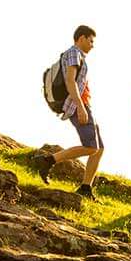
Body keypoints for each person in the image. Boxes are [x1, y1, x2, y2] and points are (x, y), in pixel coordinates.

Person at [34, 25, 103, 200]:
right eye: (91, 40)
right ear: (81, 38)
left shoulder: (79, 55)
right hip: (76, 104)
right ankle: (48, 160)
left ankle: (86, 188)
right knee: (91, 147)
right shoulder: (74, 53)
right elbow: (70, 81)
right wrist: (80, 106)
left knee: (99, 148)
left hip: (84, 103)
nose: (92, 45)